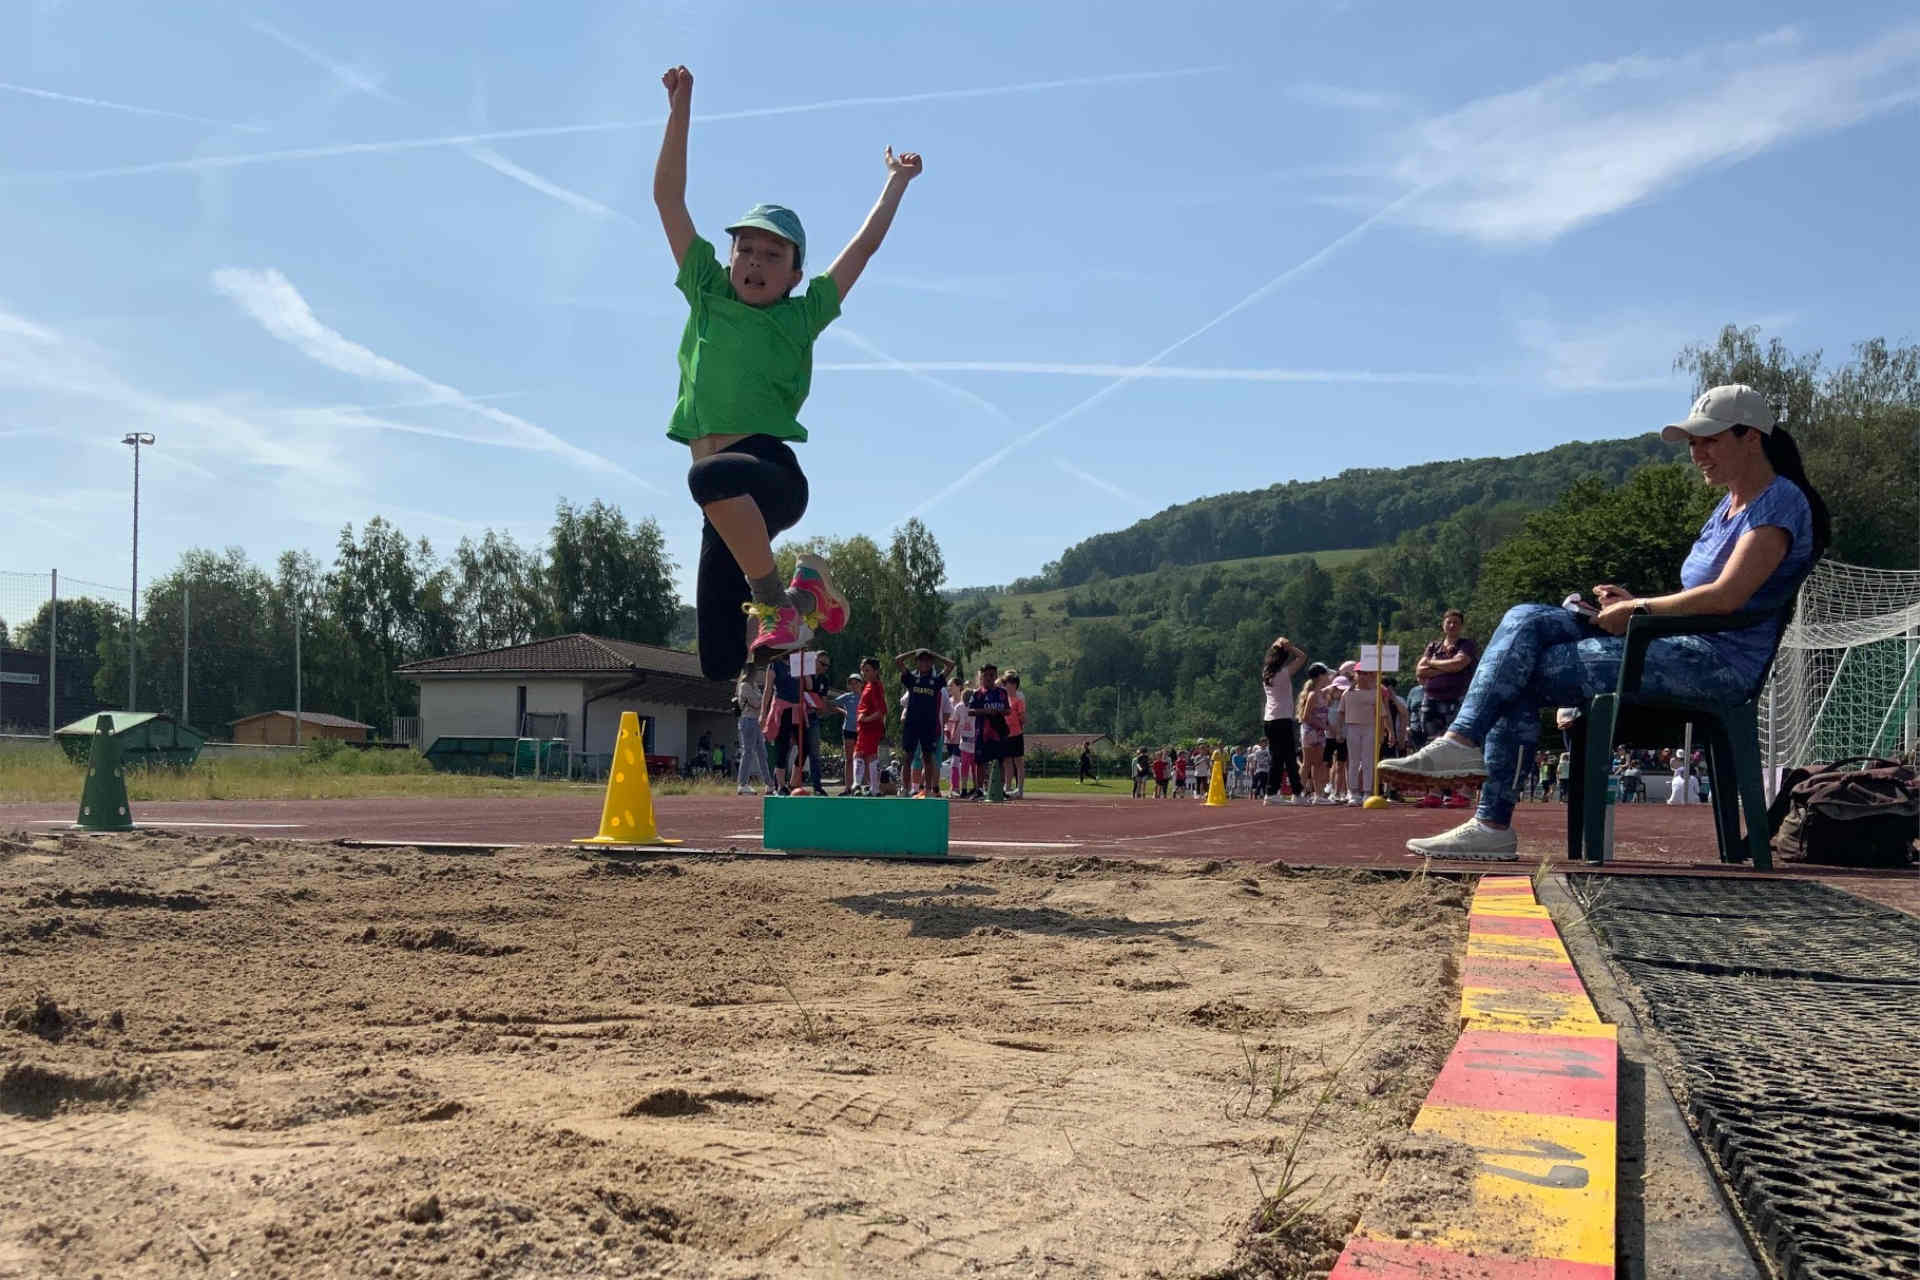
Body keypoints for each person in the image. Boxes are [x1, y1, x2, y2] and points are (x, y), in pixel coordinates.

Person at [1384, 384, 1827, 858]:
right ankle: (1462, 743)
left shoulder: (1780, 501)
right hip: (1676, 644)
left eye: (1709, 440)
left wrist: (1637, 611)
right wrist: (1632, 603)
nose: (1697, 453)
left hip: (1715, 664)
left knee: (1524, 673)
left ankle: (1490, 817)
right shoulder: (1728, 506)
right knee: (1526, 617)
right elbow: (1699, 596)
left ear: (1752, 437)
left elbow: (1727, 597)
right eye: (1693, 443)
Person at [655, 65, 922, 678]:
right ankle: (807, 596)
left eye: (772, 254)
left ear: (794, 274)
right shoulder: (706, 290)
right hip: (725, 503)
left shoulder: (800, 318)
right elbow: (668, 199)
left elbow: (863, 250)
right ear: (728, 260)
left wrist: (894, 184)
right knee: (720, 662)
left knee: (706, 479)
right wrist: (680, 109)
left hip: (769, 473)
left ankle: (780, 604)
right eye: (745, 249)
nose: (754, 261)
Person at [894, 648, 955, 798]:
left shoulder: (936, 681)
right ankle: (905, 789)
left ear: (931, 662)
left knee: (928, 757)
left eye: (928, 660)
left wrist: (933, 653)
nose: (925, 663)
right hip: (912, 724)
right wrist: (914, 651)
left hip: (929, 725)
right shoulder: (912, 678)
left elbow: (951, 665)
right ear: (917, 662)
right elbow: (898, 661)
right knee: (907, 757)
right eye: (921, 660)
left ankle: (928, 790)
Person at [1414, 610, 1479, 746]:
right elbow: (1420, 671)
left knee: (1452, 742)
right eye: (1449, 622)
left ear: (1461, 626)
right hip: (1430, 700)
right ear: (1443, 624)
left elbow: (1457, 664)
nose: (1452, 625)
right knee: (1430, 741)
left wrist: (1432, 663)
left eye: (1456, 622)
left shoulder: (1466, 645)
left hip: (1456, 700)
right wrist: (1447, 669)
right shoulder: (1433, 647)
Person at [1259, 638, 1309, 803]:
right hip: (1283, 719)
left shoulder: (1267, 672)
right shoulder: (1284, 672)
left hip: (1269, 720)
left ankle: (1271, 793)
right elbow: (1302, 658)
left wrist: (1278, 646)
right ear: (1283, 657)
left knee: (1277, 758)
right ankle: (1296, 793)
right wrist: (1291, 647)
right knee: (1289, 757)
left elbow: (1273, 654)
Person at [966, 665, 1011, 800]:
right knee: (980, 762)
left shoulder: (1001, 693)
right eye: (986, 675)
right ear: (982, 677)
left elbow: (1008, 710)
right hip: (982, 733)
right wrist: (985, 711)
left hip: (998, 732)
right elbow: (970, 711)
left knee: (1000, 761)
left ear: (996, 676)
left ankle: (1000, 789)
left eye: (992, 675)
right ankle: (979, 789)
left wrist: (999, 711)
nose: (989, 678)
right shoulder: (977, 694)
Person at [1294, 663, 1331, 806]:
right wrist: (1322, 725)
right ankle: (1298, 793)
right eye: (1326, 674)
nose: (1328, 677)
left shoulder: (1322, 694)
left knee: (1319, 763)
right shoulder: (1313, 694)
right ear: (1320, 676)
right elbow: (1305, 716)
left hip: (1320, 732)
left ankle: (1319, 795)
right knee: (1308, 763)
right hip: (1310, 732)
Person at [851, 657, 888, 795]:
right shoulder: (868, 685)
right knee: (865, 754)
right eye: (862, 670)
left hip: (870, 728)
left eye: (867, 670)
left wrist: (866, 719)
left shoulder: (876, 687)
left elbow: (882, 711)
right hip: (865, 728)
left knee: (861, 754)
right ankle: (873, 787)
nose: (863, 673)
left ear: (876, 671)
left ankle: (859, 784)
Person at [735, 665, 768, 795]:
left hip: (755, 720)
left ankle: (769, 783)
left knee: (762, 752)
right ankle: (742, 784)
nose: (757, 674)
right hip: (748, 720)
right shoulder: (744, 686)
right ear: (749, 672)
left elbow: (760, 700)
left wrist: (760, 699)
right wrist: (761, 699)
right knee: (748, 752)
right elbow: (758, 703)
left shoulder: (753, 685)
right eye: (755, 671)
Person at [833, 675, 863, 794]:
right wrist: (844, 712)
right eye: (852, 683)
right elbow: (833, 703)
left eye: (856, 683)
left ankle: (860, 786)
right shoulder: (847, 696)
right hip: (848, 730)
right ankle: (848, 787)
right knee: (849, 759)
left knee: (860, 759)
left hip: (861, 730)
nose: (854, 685)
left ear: (861, 684)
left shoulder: (865, 696)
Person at [1002, 671, 1028, 798]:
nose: (1008, 686)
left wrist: (1020, 718)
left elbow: (1023, 718)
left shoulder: (1019, 700)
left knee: (1019, 762)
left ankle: (1020, 789)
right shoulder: (1002, 700)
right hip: (1005, 735)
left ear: (1015, 685)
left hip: (1016, 734)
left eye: (1010, 683)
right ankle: (1007, 787)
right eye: (1006, 683)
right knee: (1007, 762)